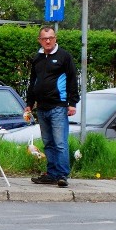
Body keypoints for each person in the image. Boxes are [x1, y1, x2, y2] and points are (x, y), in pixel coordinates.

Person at [25, 26, 79, 187]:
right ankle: (52, 173)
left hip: (58, 106)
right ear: (39, 41)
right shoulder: (38, 58)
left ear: (55, 39)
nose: (47, 41)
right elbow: (33, 82)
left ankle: (62, 175)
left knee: (60, 142)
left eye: (50, 38)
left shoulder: (64, 57)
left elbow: (72, 80)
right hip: (41, 108)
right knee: (48, 142)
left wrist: (72, 103)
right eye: (44, 38)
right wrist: (29, 104)